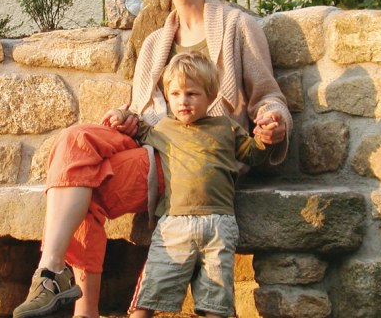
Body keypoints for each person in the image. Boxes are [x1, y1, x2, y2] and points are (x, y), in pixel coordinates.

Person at [12, 0, 291, 318]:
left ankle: (75, 301)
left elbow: (268, 94)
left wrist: (273, 120)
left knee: (80, 186)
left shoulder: (237, 26)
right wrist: (126, 118)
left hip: (198, 153)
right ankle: (52, 270)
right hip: (154, 141)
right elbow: (143, 109)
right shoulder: (156, 41)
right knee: (75, 142)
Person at [112, 52, 272, 318]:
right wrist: (119, 115)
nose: (182, 101)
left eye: (191, 94)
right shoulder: (163, 128)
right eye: (175, 94)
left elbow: (253, 154)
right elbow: (134, 125)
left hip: (219, 226)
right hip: (174, 225)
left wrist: (266, 138)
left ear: (211, 96)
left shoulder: (227, 128)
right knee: (149, 291)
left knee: (217, 301)